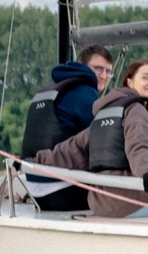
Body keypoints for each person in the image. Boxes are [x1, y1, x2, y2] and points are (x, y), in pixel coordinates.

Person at [32, 58, 148, 219]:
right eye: (145, 78)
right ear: (129, 81)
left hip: (100, 202)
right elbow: (138, 147)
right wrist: (147, 171)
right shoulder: (136, 110)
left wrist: (35, 159)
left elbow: (72, 148)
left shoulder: (107, 112)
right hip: (129, 202)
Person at [19, 44, 112, 213]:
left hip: (36, 192)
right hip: (65, 193)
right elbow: (104, 144)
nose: (104, 76)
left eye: (108, 71)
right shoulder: (85, 93)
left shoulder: (48, 91)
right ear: (82, 65)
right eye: (98, 69)